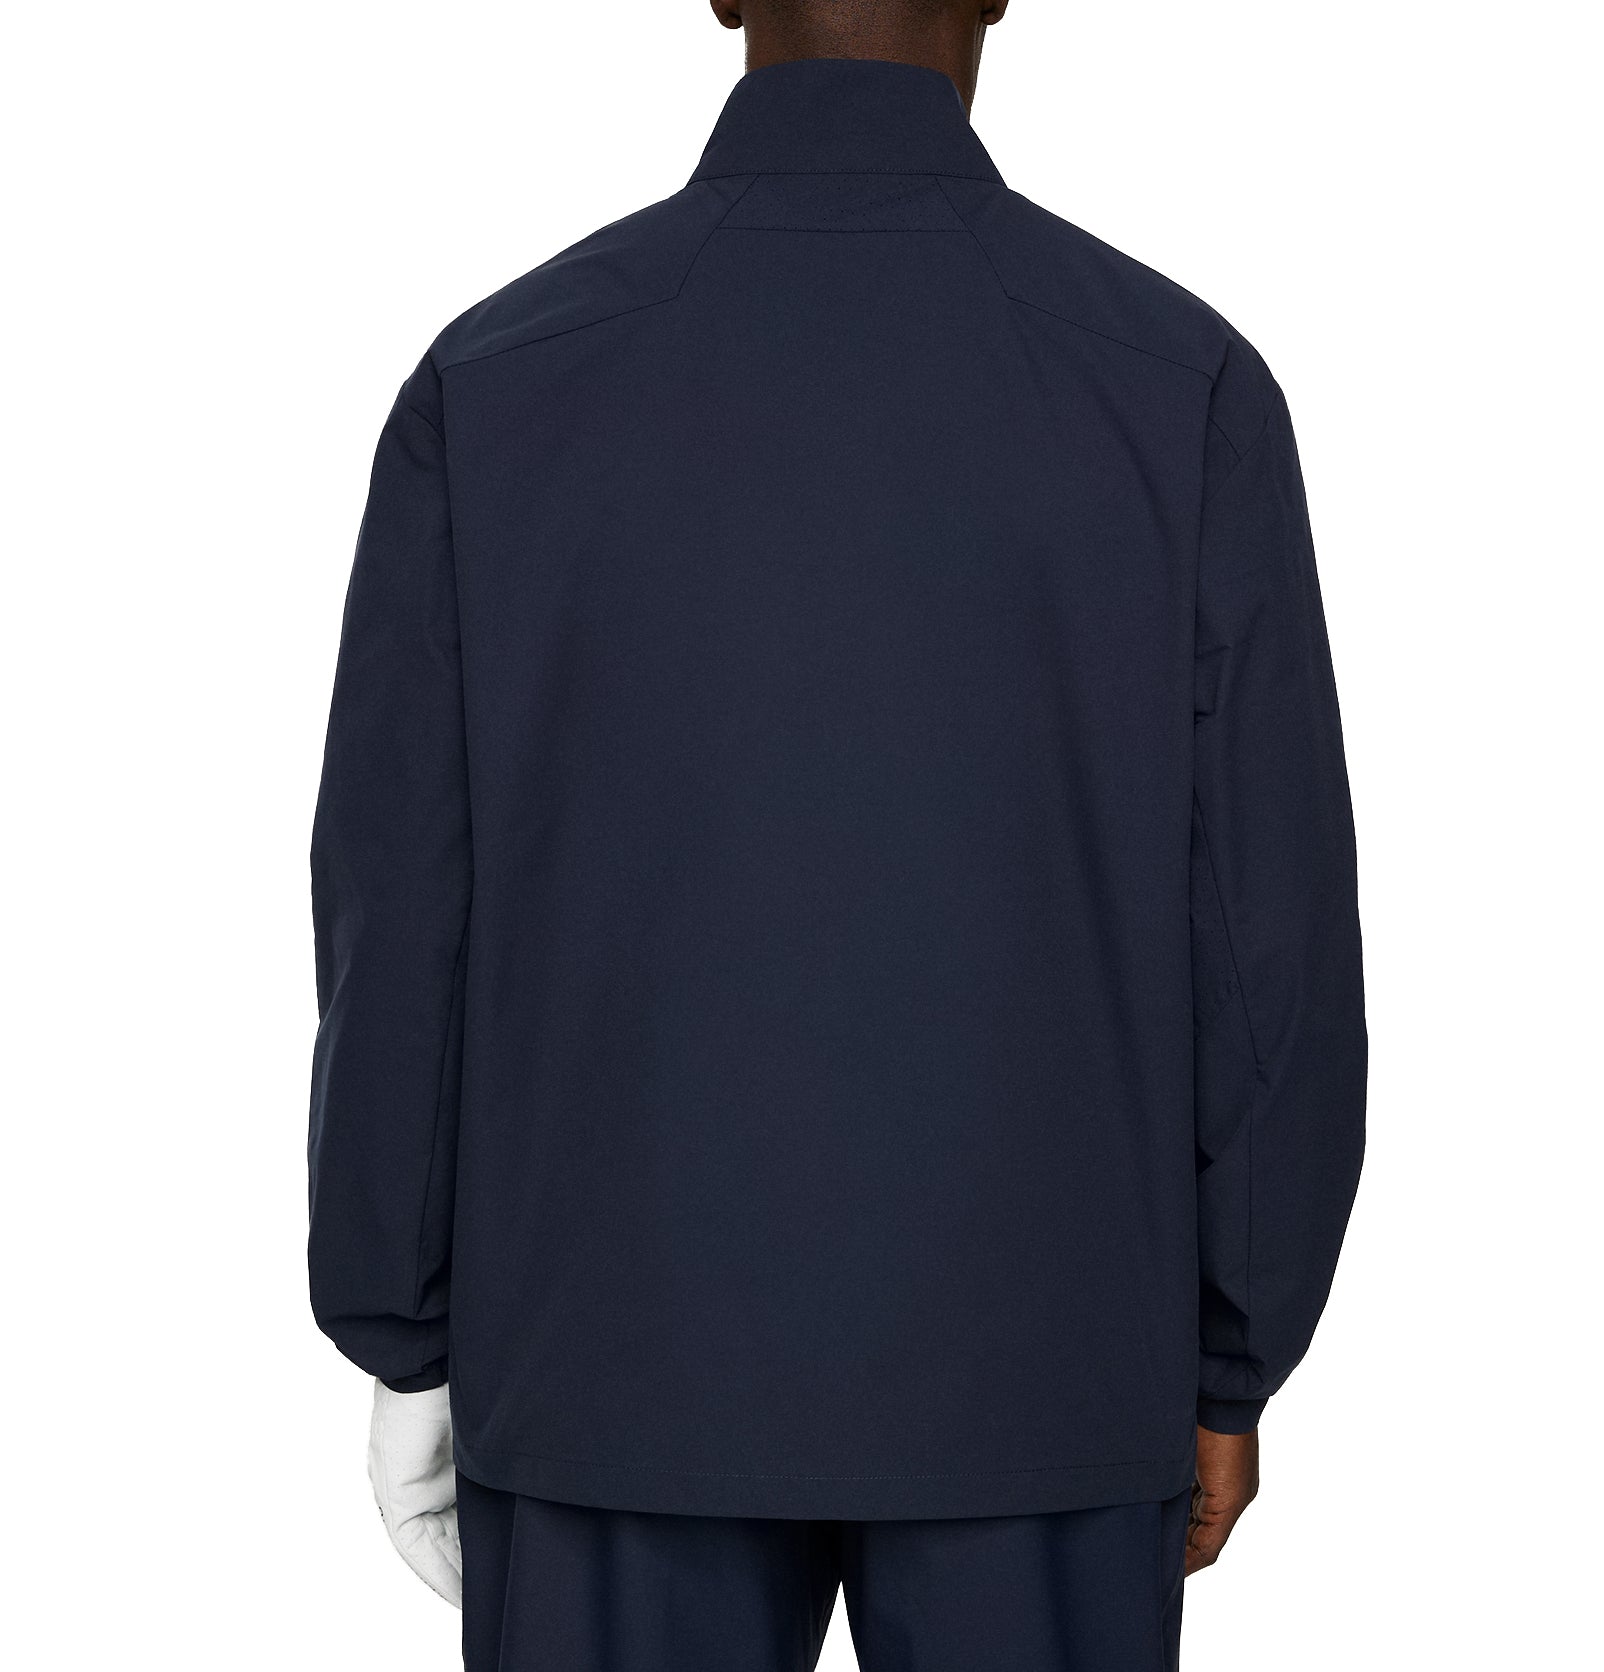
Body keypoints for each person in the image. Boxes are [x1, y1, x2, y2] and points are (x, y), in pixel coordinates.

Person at [308, 2, 1367, 1665]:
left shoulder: (501, 380)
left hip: (608, 1368)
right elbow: (1267, 937)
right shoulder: (1179, 385)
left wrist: (407, 1328)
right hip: (1048, 1368)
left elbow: (402, 911)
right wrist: (1237, 1351)